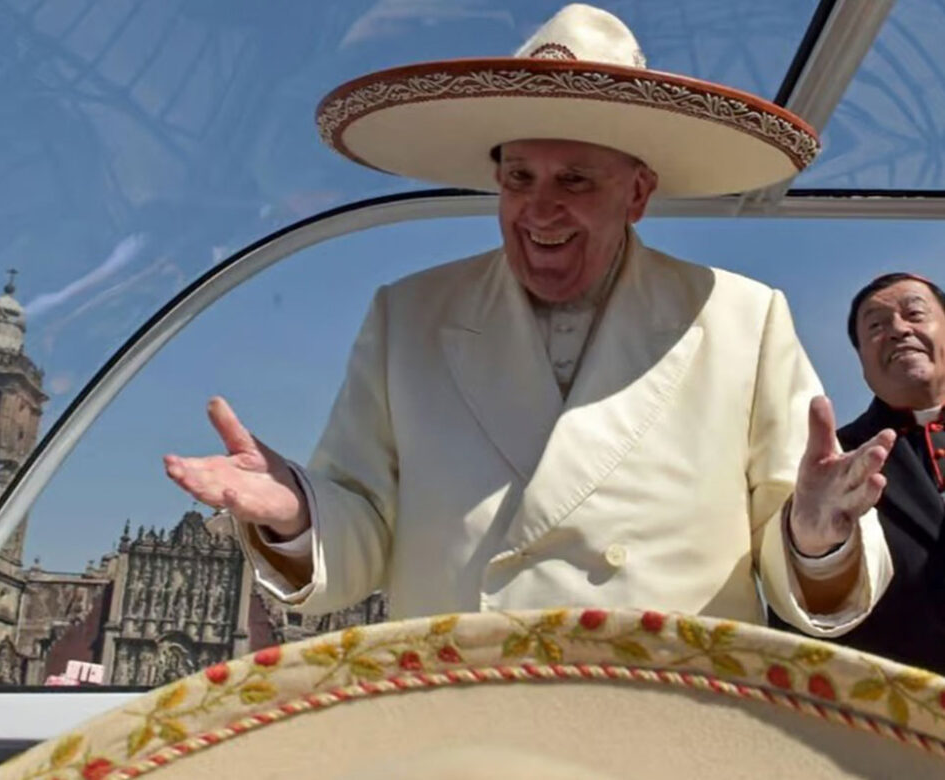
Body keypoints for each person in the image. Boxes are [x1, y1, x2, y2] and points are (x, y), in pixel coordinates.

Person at [164, 4, 892, 636]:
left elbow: (804, 562)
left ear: (637, 193)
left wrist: (816, 533)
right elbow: (359, 536)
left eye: (575, 179)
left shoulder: (745, 318)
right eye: (519, 178)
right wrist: (295, 514)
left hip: (669, 724)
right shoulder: (407, 316)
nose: (540, 208)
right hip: (468, 723)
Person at [770, 273, 945, 670]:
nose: (899, 330)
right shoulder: (834, 464)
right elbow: (797, 623)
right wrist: (814, 550)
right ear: (863, 361)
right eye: (876, 327)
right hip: (895, 711)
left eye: (914, 313)